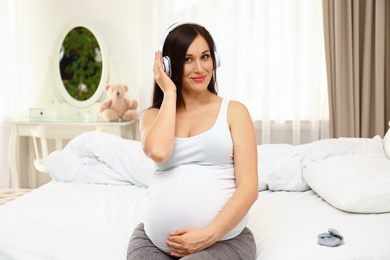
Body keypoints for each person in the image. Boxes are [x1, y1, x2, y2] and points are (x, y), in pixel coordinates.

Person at [127, 22, 258, 260]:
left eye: (205, 57)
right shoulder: (152, 116)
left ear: (214, 60)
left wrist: (209, 234)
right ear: (168, 65)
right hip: (153, 244)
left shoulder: (234, 112)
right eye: (188, 59)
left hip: (223, 240)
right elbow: (159, 152)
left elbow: (249, 188)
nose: (199, 68)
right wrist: (169, 92)